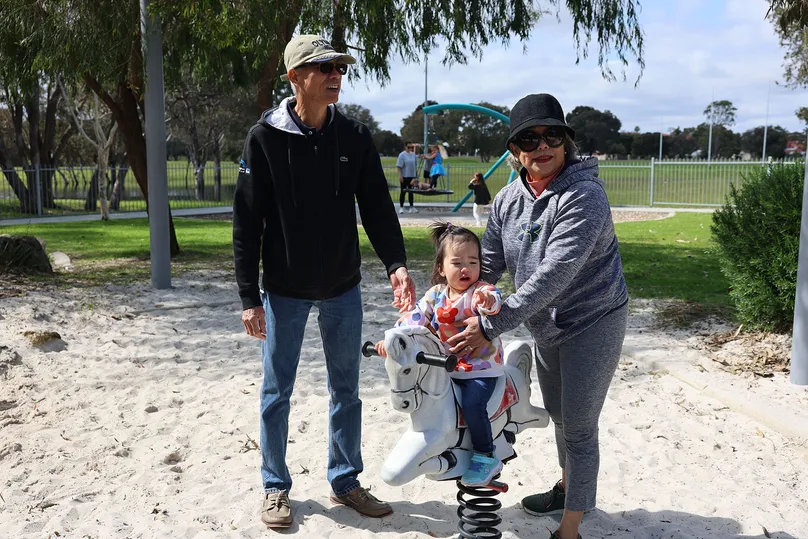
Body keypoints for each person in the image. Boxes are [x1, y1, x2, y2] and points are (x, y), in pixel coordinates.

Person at [233, 34, 417, 529]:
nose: (336, 75)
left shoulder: (354, 137)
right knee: (277, 391)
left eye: (339, 67)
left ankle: (344, 481)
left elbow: (378, 208)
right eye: (323, 68)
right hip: (285, 290)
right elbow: (247, 223)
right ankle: (275, 487)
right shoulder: (264, 137)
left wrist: (396, 264)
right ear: (295, 78)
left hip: (343, 286)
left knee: (347, 389)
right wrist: (250, 296)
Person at [445, 93, 629, 539]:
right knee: (561, 418)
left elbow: (555, 274)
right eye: (529, 138)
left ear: (566, 142)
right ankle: (567, 489)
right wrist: (455, 297)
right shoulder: (509, 199)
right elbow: (487, 262)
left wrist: (490, 323)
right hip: (546, 323)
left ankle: (570, 530)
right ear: (514, 151)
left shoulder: (584, 196)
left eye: (552, 135)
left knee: (581, 428)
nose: (541, 145)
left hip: (594, 319)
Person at [375, 222, 505, 487]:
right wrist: (391, 340)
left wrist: (489, 303)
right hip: (445, 367)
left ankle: (485, 455)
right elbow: (413, 320)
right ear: (441, 269)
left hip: (480, 368)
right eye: (457, 263)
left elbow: (493, 298)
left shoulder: (478, 291)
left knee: (472, 404)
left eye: (473, 261)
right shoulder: (435, 295)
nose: (466, 269)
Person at [396, 143, 419, 214]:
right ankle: (401, 207)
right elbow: (399, 167)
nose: (410, 148)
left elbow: (415, 166)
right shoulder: (402, 155)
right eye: (409, 147)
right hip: (405, 176)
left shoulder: (413, 155)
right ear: (405, 147)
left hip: (412, 176)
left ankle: (412, 207)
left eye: (411, 147)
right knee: (403, 192)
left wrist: (416, 176)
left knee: (411, 192)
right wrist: (400, 176)